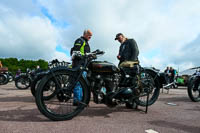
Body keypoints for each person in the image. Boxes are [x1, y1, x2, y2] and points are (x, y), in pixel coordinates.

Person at [70, 29, 92, 106]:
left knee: (83, 84)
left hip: (84, 66)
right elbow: (76, 52)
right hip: (79, 65)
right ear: (85, 34)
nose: (90, 36)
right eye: (89, 34)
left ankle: (82, 100)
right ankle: (77, 100)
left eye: (91, 35)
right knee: (78, 83)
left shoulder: (86, 42)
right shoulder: (80, 40)